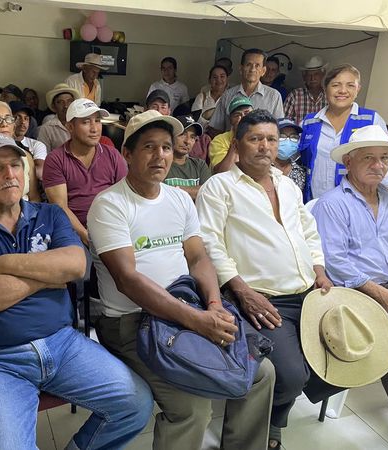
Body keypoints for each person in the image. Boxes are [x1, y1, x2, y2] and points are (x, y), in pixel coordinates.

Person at [0, 132, 153, 450]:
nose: (10, 174)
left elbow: (77, 266)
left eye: (15, 165)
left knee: (135, 404)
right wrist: (48, 277)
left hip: (62, 343)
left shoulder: (49, 214)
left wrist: (3, 264)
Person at [87, 110, 275, 450]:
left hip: (187, 310)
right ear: (127, 153)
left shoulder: (177, 198)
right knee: (192, 409)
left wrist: (214, 305)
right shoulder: (110, 204)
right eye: (148, 147)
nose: (160, 156)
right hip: (132, 322)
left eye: (166, 147)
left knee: (261, 373)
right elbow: (127, 280)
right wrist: (196, 320)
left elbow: (198, 257)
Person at [196, 109, 333, 450]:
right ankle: (265, 424)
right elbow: (209, 242)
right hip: (263, 298)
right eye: (255, 139)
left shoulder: (287, 185)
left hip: (309, 291)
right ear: (237, 144)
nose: (265, 147)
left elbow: (308, 231)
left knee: (344, 358)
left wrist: (319, 269)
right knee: (291, 375)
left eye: (272, 139)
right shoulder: (220, 186)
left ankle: (272, 416)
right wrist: (241, 291)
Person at [311, 124, 388, 447]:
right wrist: (381, 294)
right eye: (369, 158)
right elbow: (335, 262)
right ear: (349, 161)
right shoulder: (332, 204)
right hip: (354, 293)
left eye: (384, 158)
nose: (378, 165)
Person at [298, 64, 388, 202]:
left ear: (358, 89)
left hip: (356, 204)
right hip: (313, 203)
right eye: (336, 85)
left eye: (350, 85)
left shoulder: (371, 120)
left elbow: (384, 162)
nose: (343, 91)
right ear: (325, 89)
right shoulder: (309, 122)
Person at [43, 98, 127, 246]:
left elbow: (126, 196)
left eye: (97, 121)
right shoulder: (55, 160)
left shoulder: (112, 155)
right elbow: (60, 207)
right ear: (70, 127)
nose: (94, 129)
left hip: (112, 226)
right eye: (86, 122)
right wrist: (86, 236)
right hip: (73, 231)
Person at [208, 49, 283, 136]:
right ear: (241, 68)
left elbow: (279, 130)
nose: (252, 69)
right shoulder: (228, 95)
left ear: (263, 71)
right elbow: (216, 129)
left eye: (257, 65)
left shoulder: (274, 96)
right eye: (248, 65)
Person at [164, 115, 211, 200]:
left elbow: (209, 192)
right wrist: (195, 190)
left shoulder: (199, 165)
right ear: (170, 136)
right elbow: (157, 192)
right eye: (182, 134)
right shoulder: (161, 164)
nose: (187, 141)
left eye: (192, 137)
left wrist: (174, 190)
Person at [208, 96, 253, 173]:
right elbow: (222, 172)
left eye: (247, 113)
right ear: (230, 120)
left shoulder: (261, 137)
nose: (243, 118)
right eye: (237, 115)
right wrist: (237, 138)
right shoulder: (219, 140)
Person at [283, 56, 328, 125]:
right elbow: (285, 122)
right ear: (304, 77)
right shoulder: (295, 95)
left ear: (323, 74)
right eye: (309, 75)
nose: (312, 78)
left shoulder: (329, 96)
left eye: (316, 74)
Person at [37, 83, 80, 152]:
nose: (66, 106)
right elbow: (44, 155)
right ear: (54, 106)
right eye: (60, 102)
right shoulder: (46, 129)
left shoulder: (81, 124)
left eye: (69, 101)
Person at [10, 101, 47, 180]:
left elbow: (40, 172)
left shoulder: (36, 145)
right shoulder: (0, 144)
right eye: (17, 117)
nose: (23, 122)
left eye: (26, 118)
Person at [274, 118, 306, 191]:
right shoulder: (263, 168)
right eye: (282, 136)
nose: (288, 141)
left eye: (293, 137)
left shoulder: (300, 172)